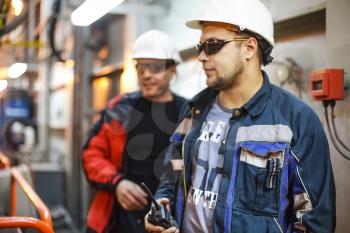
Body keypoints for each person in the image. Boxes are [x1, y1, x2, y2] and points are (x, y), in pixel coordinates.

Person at [145, 0, 336, 233]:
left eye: (213, 45)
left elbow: (314, 220)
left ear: (249, 48)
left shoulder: (296, 120)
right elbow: (173, 169)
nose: (202, 57)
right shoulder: (194, 109)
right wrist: (163, 202)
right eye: (200, 47)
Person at [82, 29, 187, 233]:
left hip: (166, 220)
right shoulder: (120, 108)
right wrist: (117, 183)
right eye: (141, 68)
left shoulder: (187, 113)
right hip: (117, 218)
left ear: (172, 70)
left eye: (155, 68)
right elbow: (91, 154)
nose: (146, 75)